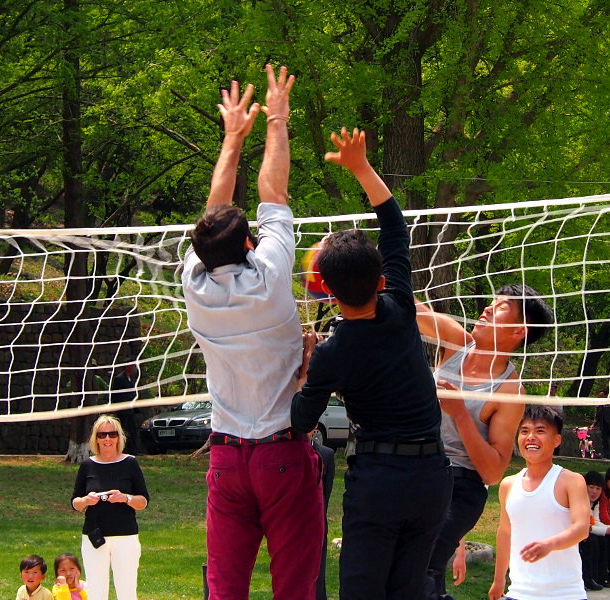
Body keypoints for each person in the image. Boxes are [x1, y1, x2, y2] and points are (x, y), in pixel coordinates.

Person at [290, 127, 451, 600]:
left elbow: (301, 421)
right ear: (382, 279)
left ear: (329, 292)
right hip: (431, 479)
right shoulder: (401, 305)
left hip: (380, 480)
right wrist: (360, 166)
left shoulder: (333, 353)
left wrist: (305, 366)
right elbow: (395, 226)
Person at [181, 66, 323, 600]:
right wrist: (276, 118)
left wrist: (230, 139)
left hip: (226, 458)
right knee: (293, 588)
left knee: (224, 589)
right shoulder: (267, 278)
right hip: (281, 454)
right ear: (247, 246)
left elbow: (215, 211)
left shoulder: (193, 282)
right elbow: (274, 190)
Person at [415, 284, 552, 600]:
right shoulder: (456, 342)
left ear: (519, 330)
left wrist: (460, 413)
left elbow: (492, 473)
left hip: (460, 489)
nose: (488, 308)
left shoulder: (509, 391)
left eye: (500, 307)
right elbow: (412, 308)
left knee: (420, 570)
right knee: (413, 573)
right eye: (492, 302)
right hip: (421, 472)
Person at [487, 405, 589, 600]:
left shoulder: (571, 481)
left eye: (540, 431)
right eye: (525, 431)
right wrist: (499, 580)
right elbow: (505, 533)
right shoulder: (508, 484)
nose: (531, 437)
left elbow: (581, 528)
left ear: (557, 440)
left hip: (566, 594)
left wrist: (550, 544)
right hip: (518, 593)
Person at [68, 415, 148, 600]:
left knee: (127, 591)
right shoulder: (88, 465)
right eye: (102, 434)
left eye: (112, 434)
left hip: (125, 536)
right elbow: (74, 502)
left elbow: (143, 501)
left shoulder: (130, 463)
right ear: (96, 438)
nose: (107, 439)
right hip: (94, 536)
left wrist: (125, 498)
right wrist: (86, 501)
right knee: (96, 592)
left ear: (119, 438)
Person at [578, 470, 610, 592]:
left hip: (587, 530)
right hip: (577, 532)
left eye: (598, 488)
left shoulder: (595, 503)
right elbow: (585, 526)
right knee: (592, 541)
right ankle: (587, 578)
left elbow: (595, 521)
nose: (594, 491)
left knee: (604, 539)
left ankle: (600, 577)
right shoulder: (578, 500)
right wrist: (607, 530)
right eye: (591, 487)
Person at [309, 433, 335, 600]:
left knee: (318, 573)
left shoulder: (326, 454)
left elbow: (327, 489)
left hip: (317, 522)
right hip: (293, 522)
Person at [595, 394, 610, 460]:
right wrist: (594, 424)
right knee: (604, 441)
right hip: (603, 425)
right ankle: (606, 455)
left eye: (602, 395)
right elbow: (597, 416)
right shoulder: (599, 405)